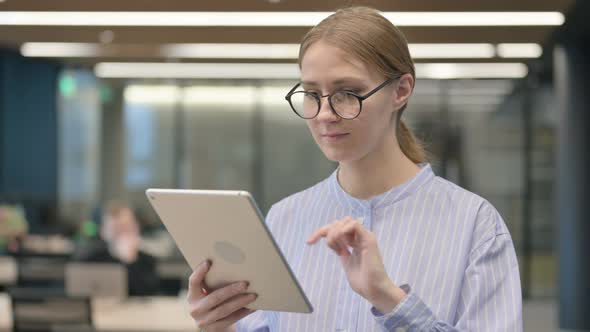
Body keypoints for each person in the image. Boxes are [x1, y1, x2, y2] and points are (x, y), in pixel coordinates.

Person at [187, 6, 522, 332]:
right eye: (312, 93)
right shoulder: (283, 219)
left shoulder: (475, 225)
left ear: (401, 91)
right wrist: (220, 327)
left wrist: (391, 301)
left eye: (348, 93)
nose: (324, 114)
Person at [73, 201, 159, 296]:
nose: (123, 234)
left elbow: (148, 293)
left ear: (136, 228)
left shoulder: (147, 260)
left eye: (127, 227)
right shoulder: (91, 260)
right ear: (104, 232)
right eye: (117, 229)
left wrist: (131, 261)